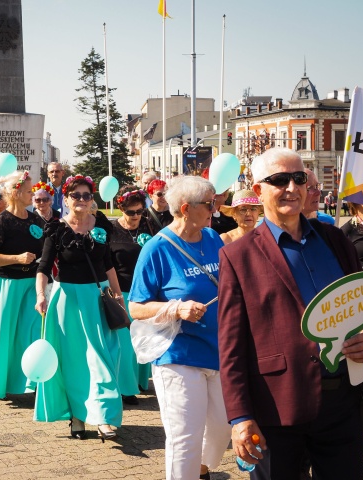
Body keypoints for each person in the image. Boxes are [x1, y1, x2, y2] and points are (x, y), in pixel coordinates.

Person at [217, 148, 363, 480]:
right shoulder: (237, 256)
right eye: (279, 180)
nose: (291, 187)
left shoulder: (336, 240)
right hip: (277, 408)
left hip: (343, 401)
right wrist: (239, 417)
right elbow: (231, 347)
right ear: (258, 189)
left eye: (298, 178)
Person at [128, 175, 231, 480]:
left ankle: (199, 470)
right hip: (179, 354)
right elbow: (136, 308)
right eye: (209, 204)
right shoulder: (157, 249)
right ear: (186, 208)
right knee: (184, 436)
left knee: (223, 426)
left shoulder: (212, 238)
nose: (215, 208)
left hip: (219, 349)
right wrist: (177, 308)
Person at [34, 174, 124, 442]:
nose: (82, 200)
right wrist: (41, 295)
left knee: (103, 358)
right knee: (74, 363)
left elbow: (108, 264)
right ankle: (77, 416)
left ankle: (105, 417)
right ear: (67, 198)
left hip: (95, 299)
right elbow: (43, 267)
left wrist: (118, 296)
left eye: (87, 195)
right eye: (76, 196)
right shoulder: (56, 228)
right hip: (66, 303)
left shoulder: (102, 225)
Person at [0, 171, 45, 398]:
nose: (32, 195)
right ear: (16, 193)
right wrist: (17, 258)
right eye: (28, 191)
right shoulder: (0, 222)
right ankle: (3, 384)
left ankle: (30, 381)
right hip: (4, 286)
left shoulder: (35, 220)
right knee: (4, 335)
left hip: (30, 284)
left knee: (31, 333)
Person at [110, 187, 153, 405]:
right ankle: (125, 389)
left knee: (142, 340)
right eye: (131, 212)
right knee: (125, 344)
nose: (136, 216)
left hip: (145, 293)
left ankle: (138, 381)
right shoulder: (111, 230)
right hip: (121, 292)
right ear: (121, 210)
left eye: (139, 211)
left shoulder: (149, 226)